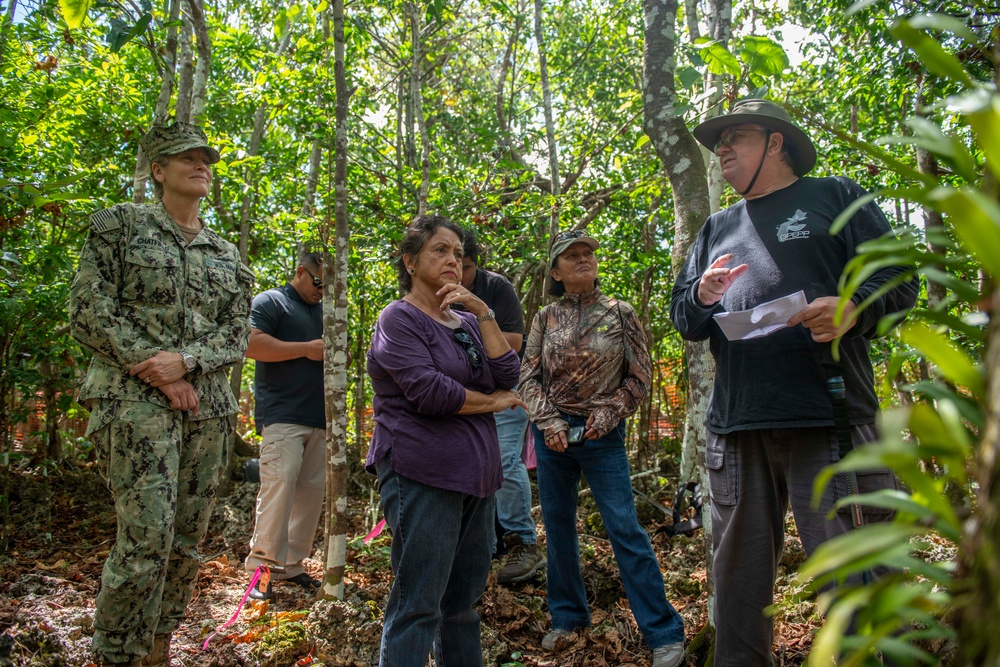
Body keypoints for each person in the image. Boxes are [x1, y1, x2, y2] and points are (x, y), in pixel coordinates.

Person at [669, 98, 919, 666]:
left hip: (828, 419)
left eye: (735, 136)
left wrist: (854, 306)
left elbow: (901, 278)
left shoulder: (835, 196)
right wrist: (704, 293)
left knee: (855, 582)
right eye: (718, 141)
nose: (722, 149)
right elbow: (683, 317)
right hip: (736, 427)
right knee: (736, 590)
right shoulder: (716, 227)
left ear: (776, 142)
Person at [70, 122, 254, 667]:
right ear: (158, 170)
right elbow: (89, 310)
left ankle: (158, 648)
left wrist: (188, 363)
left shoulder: (228, 256)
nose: (201, 166)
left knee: (186, 543)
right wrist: (158, 372)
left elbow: (237, 332)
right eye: (187, 158)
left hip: (207, 410)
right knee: (146, 538)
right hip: (131, 402)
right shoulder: (121, 226)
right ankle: (116, 654)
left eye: (207, 159)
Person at [519, 230, 686, 667]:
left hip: (601, 434)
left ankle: (663, 632)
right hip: (552, 436)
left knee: (624, 528)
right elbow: (527, 377)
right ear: (555, 271)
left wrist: (609, 413)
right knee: (557, 529)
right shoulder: (544, 318)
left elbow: (639, 378)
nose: (582, 260)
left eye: (587, 253)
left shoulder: (619, 312)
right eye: (571, 256)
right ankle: (568, 618)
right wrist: (549, 421)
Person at [365, 215, 526, 667]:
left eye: (457, 252)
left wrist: (485, 313)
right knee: (418, 603)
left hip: (477, 477)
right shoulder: (399, 318)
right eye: (440, 250)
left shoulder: (468, 322)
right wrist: (495, 403)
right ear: (410, 261)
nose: (452, 259)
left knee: (461, 606)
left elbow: (508, 373)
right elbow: (431, 392)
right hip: (422, 472)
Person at [458, 230, 544, 584]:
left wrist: (468, 326)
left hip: (506, 390)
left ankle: (522, 539)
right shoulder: (432, 292)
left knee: (505, 460)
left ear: (474, 265)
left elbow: (512, 341)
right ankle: (487, 544)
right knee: (473, 464)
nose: (455, 273)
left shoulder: (496, 288)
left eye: (463, 266)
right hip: (463, 394)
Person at [244, 251, 330, 600]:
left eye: (329, 285)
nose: (322, 290)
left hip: (321, 418)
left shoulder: (325, 312)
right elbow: (250, 344)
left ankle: (291, 566)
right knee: (278, 490)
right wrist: (306, 349)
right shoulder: (271, 301)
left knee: (311, 494)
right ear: (300, 272)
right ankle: (260, 572)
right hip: (282, 416)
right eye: (319, 281)